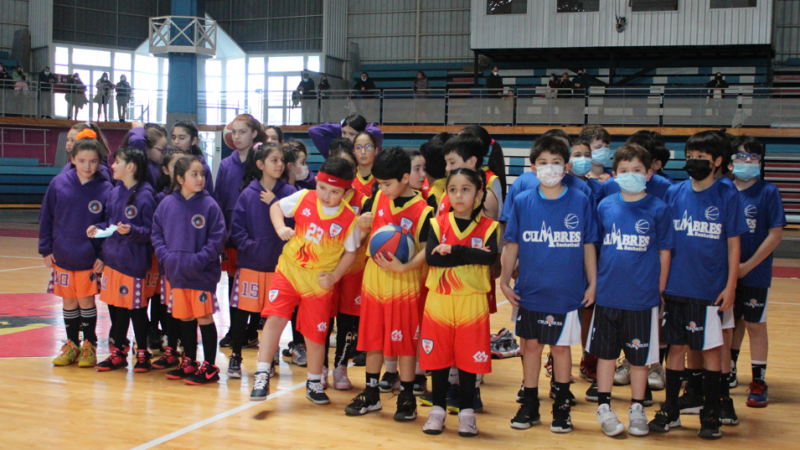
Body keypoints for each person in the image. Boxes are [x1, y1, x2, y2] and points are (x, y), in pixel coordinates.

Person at [649, 130, 748, 440]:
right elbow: (662, 241)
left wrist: (731, 285)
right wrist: (660, 283)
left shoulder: (727, 194)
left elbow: (734, 245)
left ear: (717, 161)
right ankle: (671, 409)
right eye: (689, 156)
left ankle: (711, 411)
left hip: (708, 289)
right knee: (676, 348)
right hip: (676, 287)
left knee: (710, 349)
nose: (693, 162)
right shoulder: (674, 193)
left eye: (701, 158)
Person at [500, 136, 598, 434]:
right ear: (532, 168)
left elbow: (588, 245)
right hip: (530, 290)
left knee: (561, 348)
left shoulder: (580, 200)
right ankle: (529, 403)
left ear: (567, 167)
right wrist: (503, 281)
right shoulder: (522, 201)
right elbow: (511, 243)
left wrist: (593, 283)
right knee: (530, 346)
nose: (550, 168)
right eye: (543, 163)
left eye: (556, 163)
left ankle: (562, 407)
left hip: (567, 292)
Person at [249, 157, 360, 404]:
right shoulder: (304, 197)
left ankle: (313, 382)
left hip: (318, 283)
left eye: (334, 192)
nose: (325, 195)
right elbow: (276, 207)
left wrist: (334, 277)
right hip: (289, 271)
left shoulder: (349, 219)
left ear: (347, 192)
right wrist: (280, 229)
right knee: (274, 319)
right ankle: (262, 373)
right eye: (322, 187)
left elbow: (351, 252)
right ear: (317, 182)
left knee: (316, 336)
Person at [587, 144, 674, 437]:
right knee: (606, 356)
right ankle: (604, 406)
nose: (630, 175)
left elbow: (664, 252)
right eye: (624, 171)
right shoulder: (605, 206)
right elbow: (596, 248)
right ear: (614, 174)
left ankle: (638, 407)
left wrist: (659, 289)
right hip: (608, 295)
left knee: (639, 359)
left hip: (642, 298)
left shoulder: (659, 208)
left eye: (637, 170)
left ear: (649, 173)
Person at [344, 147, 433, 421]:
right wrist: (360, 224)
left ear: (405, 178)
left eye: (386, 183)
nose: (382, 187)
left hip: (404, 281)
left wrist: (405, 265)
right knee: (373, 339)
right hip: (374, 278)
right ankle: (371, 393)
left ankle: (406, 395)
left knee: (405, 342)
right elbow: (361, 235)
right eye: (379, 183)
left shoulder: (424, 210)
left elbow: (428, 249)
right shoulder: (378, 197)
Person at [420, 168, 499, 437]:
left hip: (472, 303)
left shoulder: (490, 227)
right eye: (453, 189)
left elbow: (489, 259)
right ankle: (437, 411)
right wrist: (471, 255)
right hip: (439, 301)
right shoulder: (436, 223)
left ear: (478, 193)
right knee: (439, 360)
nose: (458, 195)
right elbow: (432, 259)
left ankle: (466, 413)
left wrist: (454, 250)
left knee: (468, 362)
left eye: (465, 189)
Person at [40, 129, 112, 368]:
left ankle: (89, 346)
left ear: (100, 161)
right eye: (82, 161)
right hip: (62, 255)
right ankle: (72, 345)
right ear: (72, 159)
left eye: (93, 161)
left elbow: (110, 225)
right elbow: (46, 218)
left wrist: (103, 255)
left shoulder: (105, 188)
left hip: (88, 258)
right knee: (68, 302)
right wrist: (45, 249)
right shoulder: (59, 183)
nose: (88, 166)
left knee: (86, 301)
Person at [151, 156, 226, 385]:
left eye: (202, 174)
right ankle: (189, 361)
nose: (200, 178)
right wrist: (166, 257)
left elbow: (217, 238)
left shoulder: (210, 205)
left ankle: (210, 366)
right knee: (185, 317)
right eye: (194, 174)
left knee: (204, 317)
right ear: (180, 178)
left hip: (201, 275)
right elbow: (157, 234)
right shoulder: (166, 204)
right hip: (177, 274)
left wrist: (199, 259)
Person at [228, 142, 297, 379]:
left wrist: (274, 202)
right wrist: (251, 248)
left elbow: (296, 225)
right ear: (260, 164)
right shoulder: (248, 194)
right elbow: (237, 229)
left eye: (282, 161)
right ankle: (235, 356)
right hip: (251, 265)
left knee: (273, 316)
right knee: (242, 313)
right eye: (273, 160)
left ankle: (270, 356)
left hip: (279, 267)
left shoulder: (288, 193)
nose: (279, 165)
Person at [728, 137, 786, 410]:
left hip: (754, 272)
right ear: (730, 162)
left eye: (753, 157)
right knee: (732, 321)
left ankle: (759, 381)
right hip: (725, 274)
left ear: (761, 162)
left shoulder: (769, 192)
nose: (748, 161)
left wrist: (747, 266)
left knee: (754, 324)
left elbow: (775, 234)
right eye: (742, 157)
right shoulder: (724, 190)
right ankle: (728, 368)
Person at [92, 145, 157, 372]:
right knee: (117, 309)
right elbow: (110, 223)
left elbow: (150, 232)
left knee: (136, 310)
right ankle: (118, 351)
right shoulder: (114, 192)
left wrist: (132, 231)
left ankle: (143, 354)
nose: (112, 165)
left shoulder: (146, 196)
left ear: (130, 167)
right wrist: (98, 228)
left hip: (133, 264)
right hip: (113, 262)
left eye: (117, 162)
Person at [214, 115, 267, 351]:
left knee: (254, 285)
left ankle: (251, 330)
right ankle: (235, 330)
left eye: (242, 132)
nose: (237, 137)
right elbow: (217, 200)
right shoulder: (226, 165)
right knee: (234, 283)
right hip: (231, 237)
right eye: (234, 132)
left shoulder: (261, 163)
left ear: (254, 133)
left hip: (254, 237)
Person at [324, 143, 366, 389]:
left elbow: (364, 235)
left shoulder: (365, 200)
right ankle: (320, 368)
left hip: (353, 270)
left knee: (347, 324)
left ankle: (340, 367)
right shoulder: (321, 197)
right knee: (324, 320)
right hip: (326, 268)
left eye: (348, 167)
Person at [149, 148, 190, 371]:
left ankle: (188, 352)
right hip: (167, 267)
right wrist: (164, 255)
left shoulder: (200, 201)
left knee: (187, 311)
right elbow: (156, 232)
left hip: (190, 270)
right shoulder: (161, 199)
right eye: (175, 166)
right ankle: (171, 350)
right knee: (170, 308)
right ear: (166, 170)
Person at [308, 113, 384, 159]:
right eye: (344, 133)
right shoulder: (335, 150)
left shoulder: (367, 150)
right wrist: (339, 127)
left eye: (352, 134)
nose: (346, 137)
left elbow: (375, 132)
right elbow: (314, 131)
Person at [171, 121, 214, 193]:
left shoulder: (202, 167)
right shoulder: (168, 163)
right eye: (173, 137)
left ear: (193, 140)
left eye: (181, 138)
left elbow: (208, 194)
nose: (176, 142)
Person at [351, 132, 380, 198]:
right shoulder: (348, 176)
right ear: (353, 152)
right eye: (358, 148)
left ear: (376, 150)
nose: (363, 152)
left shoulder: (383, 177)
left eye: (368, 146)